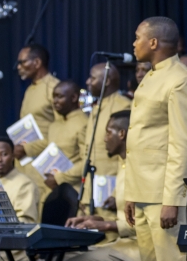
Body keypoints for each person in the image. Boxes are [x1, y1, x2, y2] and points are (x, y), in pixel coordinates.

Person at [124, 17, 187, 261]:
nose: (134, 43)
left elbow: (182, 145)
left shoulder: (181, 80)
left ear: (154, 42)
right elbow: (142, 142)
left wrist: (172, 198)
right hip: (143, 191)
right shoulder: (151, 77)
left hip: (166, 195)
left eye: (138, 37)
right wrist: (130, 193)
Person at [56, 110, 141, 261]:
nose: (103, 139)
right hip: (121, 243)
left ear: (122, 134)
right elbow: (125, 215)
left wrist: (108, 225)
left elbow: (145, 222)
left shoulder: (139, 168)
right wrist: (94, 220)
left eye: (107, 132)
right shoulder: (123, 166)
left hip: (138, 249)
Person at [54, 62, 131, 212]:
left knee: (109, 233)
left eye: (92, 78)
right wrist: (84, 193)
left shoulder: (124, 107)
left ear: (107, 81)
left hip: (112, 189)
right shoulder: (96, 107)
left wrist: (118, 194)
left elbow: (128, 156)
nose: (88, 82)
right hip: (90, 189)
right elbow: (88, 153)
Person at [13, 43, 59, 164]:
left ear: (37, 63)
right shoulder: (30, 89)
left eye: (22, 62)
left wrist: (27, 148)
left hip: (47, 162)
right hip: (27, 160)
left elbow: (63, 130)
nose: (18, 67)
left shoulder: (54, 88)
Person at [40, 80, 88, 194]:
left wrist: (59, 178)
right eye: (53, 97)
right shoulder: (54, 125)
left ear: (74, 98)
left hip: (72, 191)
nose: (55, 101)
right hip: (51, 190)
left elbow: (87, 161)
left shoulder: (84, 123)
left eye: (60, 97)